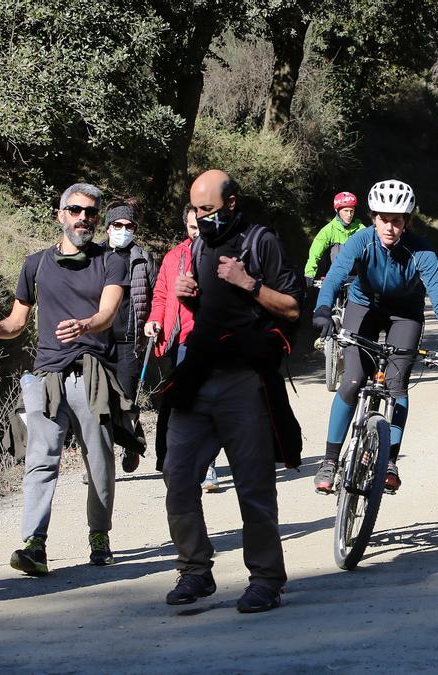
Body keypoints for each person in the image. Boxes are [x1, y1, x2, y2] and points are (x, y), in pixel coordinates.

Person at [162, 169, 302, 613]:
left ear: (232, 203)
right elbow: (212, 309)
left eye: (209, 209)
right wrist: (188, 296)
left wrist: (249, 283)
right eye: (196, 210)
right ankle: (195, 570)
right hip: (198, 374)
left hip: (245, 381)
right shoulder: (198, 246)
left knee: (253, 488)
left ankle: (266, 580)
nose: (201, 217)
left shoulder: (262, 242)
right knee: (178, 477)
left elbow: (293, 307)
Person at [0, 182, 129, 575]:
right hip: (47, 374)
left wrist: (86, 325)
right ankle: (34, 545)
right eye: (75, 210)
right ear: (60, 215)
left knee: (99, 460)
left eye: (90, 212)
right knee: (40, 460)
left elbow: (108, 313)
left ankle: (99, 536)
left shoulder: (111, 261)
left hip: (91, 372)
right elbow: (16, 322)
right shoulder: (36, 264)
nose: (83, 218)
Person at [312, 180, 438, 495]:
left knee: (396, 385)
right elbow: (336, 276)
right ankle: (329, 460)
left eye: (397, 221)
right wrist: (323, 309)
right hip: (363, 307)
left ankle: (390, 461)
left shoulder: (421, 251)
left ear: (406, 221)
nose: (390, 227)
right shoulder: (361, 241)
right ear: (373, 218)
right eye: (384, 219)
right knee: (353, 380)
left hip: (405, 314)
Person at [104, 198, 157, 473]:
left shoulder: (143, 258)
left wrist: (153, 321)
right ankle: (101, 462)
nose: (123, 230)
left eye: (129, 226)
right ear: (107, 227)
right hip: (99, 341)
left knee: (126, 398)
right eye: (117, 225)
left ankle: (131, 444)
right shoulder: (95, 257)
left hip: (130, 341)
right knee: (99, 401)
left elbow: (157, 295)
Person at [144, 204, 197, 474]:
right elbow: (161, 295)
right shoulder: (173, 257)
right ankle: (166, 457)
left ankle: (204, 463)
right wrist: (154, 319)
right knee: (176, 399)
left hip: (208, 338)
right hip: (177, 340)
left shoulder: (222, 255)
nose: (197, 232)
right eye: (192, 227)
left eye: (202, 226)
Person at [304, 191, 366, 285]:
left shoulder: (361, 228)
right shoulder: (329, 230)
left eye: (352, 211)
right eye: (346, 211)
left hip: (357, 276)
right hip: (335, 275)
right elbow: (315, 251)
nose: (349, 215)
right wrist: (310, 272)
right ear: (337, 210)